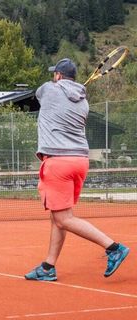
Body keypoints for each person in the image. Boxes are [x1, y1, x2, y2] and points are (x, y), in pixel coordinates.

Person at [25, 58, 129, 281]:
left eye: (55, 74)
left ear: (59, 76)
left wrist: (61, 86)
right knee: (59, 217)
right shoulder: (83, 101)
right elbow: (68, 95)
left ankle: (113, 247)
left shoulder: (48, 90)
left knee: (63, 218)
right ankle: (47, 267)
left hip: (58, 162)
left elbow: (39, 93)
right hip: (80, 161)